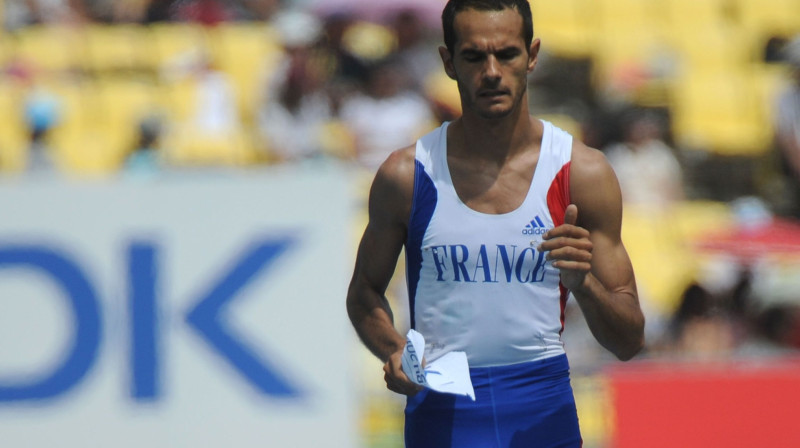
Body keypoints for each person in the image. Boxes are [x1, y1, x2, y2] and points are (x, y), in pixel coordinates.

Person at [345, 1, 645, 447]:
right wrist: (394, 351)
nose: (491, 71)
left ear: (532, 55)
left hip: (543, 411)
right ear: (448, 61)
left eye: (506, 54)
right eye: (473, 56)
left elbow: (628, 340)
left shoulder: (582, 173)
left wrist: (585, 287)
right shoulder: (406, 174)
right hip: (441, 410)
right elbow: (364, 292)